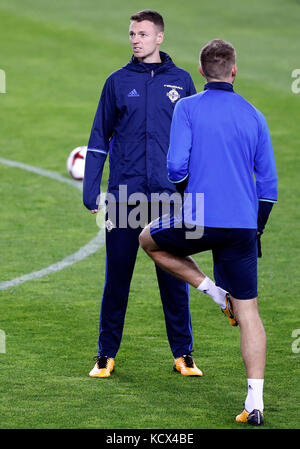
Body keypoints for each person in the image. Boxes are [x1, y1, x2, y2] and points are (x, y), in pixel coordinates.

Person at [139, 39, 277, 426]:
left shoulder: (187, 107)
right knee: (250, 312)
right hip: (242, 225)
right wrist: (256, 230)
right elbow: (268, 186)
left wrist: (191, 198)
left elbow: (175, 167)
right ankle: (255, 404)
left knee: (147, 239)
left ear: (200, 72)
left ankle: (217, 296)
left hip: (199, 217)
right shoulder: (254, 115)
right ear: (234, 70)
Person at [83, 10, 204, 378]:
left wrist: (198, 191)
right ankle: (105, 355)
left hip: (170, 198)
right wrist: (91, 190)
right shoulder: (116, 82)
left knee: (174, 279)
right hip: (123, 198)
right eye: (132, 33)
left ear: (160, 38)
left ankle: (183, 354)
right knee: (117, 277)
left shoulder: (182, 82)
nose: (136, 39)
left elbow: (196, 141)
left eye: (143, 33)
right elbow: (98, 137)